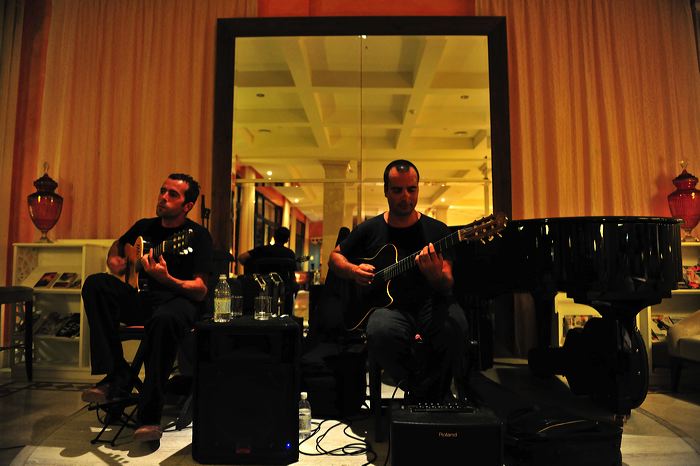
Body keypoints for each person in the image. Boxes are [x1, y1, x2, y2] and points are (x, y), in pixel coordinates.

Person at [81, 173, 213, 441]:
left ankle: (150, 416)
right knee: (96, 284)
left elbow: (200, 290)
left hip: (180, 302)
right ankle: (116, 374)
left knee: (164, 319)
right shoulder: (144, 226)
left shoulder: (197, 237)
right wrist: (116, 260)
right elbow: (119, 246)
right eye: (163, 191)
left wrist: (168, 279)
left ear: (187, 206)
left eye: (172, 194)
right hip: (143, 300)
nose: (163, 197)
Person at [328, 159, 469, 402]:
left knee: (455, 324)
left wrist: (436, 276)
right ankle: (423, 390)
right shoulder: (369, 229)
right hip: (389, 308)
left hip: (430, 304)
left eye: (411, 189)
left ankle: (428, 393)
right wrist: (353, 271)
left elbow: (447, 281)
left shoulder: (436, 231)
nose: (405, 196)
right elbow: (335, 257)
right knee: (379, 330)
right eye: (397, 190)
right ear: (385, 191)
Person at [238, 226, 299, 314]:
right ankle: (287, 315)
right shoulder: (290, 254)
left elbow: (241, 258)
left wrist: (250, 267)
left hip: (260, 289)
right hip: (283, 291)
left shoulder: (262, 250)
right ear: (287, 240)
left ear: (274, 237)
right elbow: (292, 276)